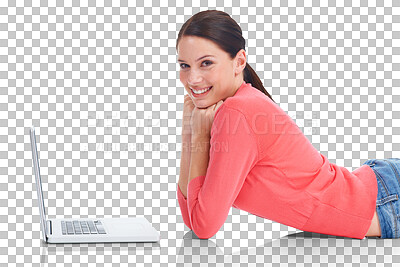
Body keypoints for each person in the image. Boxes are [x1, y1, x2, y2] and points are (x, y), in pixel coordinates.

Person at [175, 9, 391, 240]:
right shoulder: (231, 107)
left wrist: (197, 136)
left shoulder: (237, 112)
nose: (192, 79)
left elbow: (202, 226)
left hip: (386, 200)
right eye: (184, 65)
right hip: (380, 190)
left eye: (206, 63)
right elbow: (193, 218)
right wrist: (191, 131)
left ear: (239, 62)